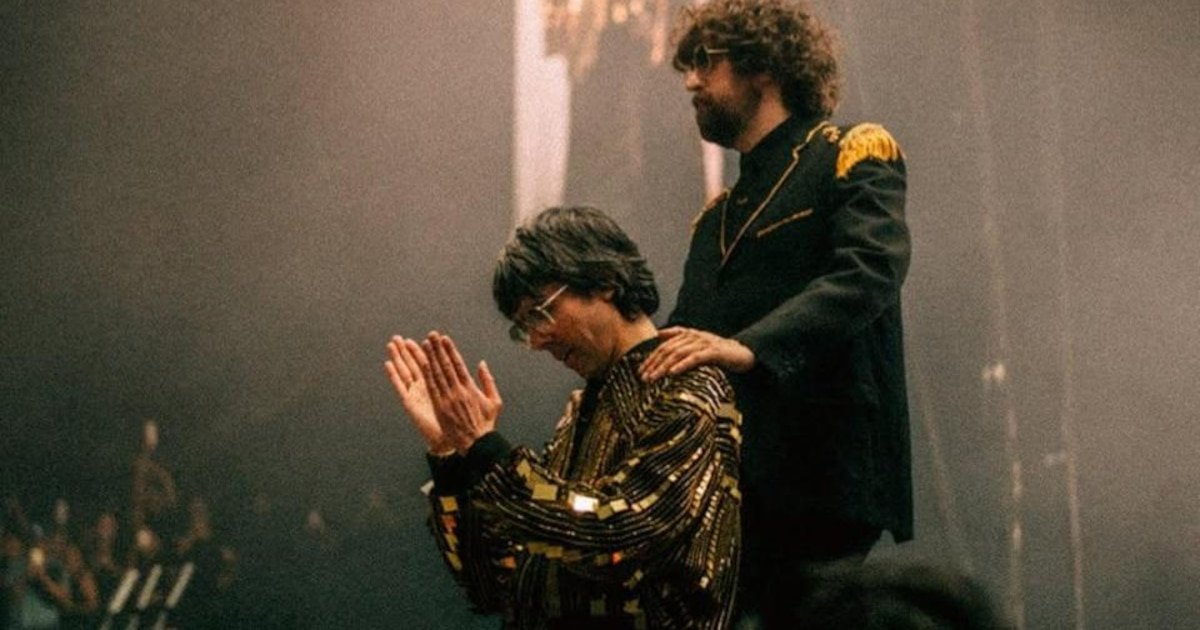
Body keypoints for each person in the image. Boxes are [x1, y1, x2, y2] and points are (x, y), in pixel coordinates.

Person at [638, 1, 912, 626]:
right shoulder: (717, 219)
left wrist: (752, 347)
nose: (690, 81)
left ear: (762, 65)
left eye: (705, 61)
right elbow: (683, 337)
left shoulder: (850, 154)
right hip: (736, 490)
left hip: (825, 474)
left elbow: (870, 271)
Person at [384, 206, 743, 629]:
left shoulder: (690, 388)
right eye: (523, 327)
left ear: (605, 281)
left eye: (540, 312)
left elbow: (618, 538)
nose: (536, 340)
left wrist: (486, 451)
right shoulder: (583, 410)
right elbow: (494, 583)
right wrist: (452, 458)